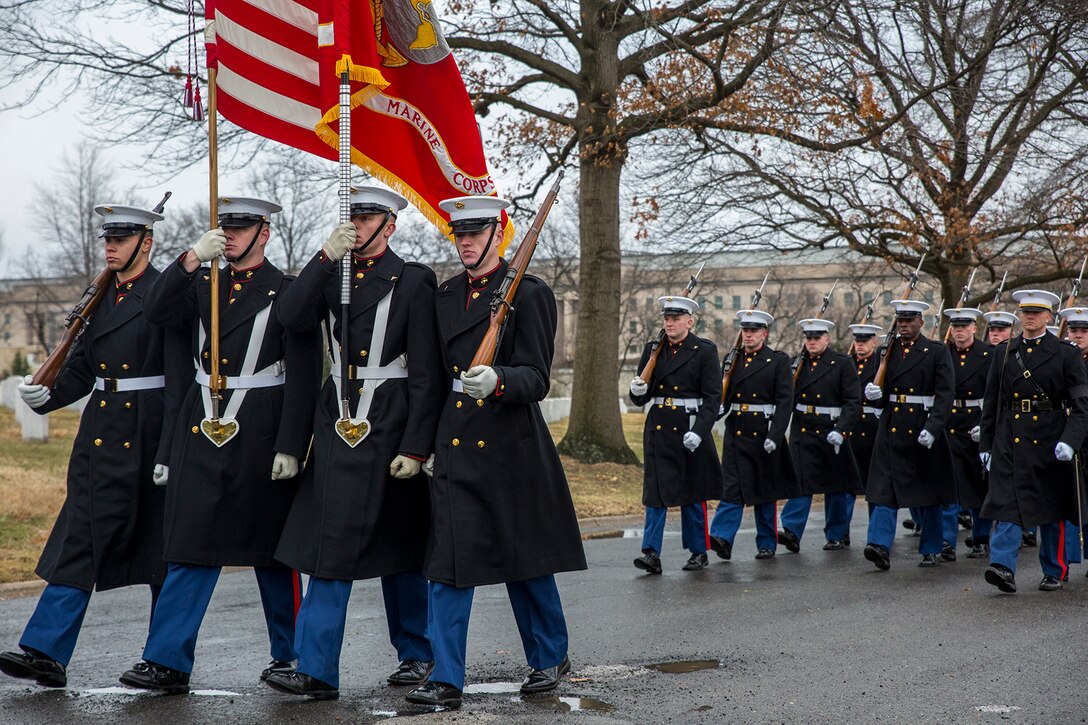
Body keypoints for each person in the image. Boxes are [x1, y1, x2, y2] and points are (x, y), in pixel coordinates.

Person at [118, 196, 321, 693]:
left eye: (241, 227)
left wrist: (293, 444)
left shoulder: (286, 291)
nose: (229, 235)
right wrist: (189, 258)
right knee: (189, 543)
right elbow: (157, 311)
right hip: (202, 423)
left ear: (264, 232)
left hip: (262, 424)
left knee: (273, 553)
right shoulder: (200, 282)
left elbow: (304, 372)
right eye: (224, 227)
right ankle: (167, 660)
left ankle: (290, 655)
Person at [404, 195, 587, 710]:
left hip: (511, 447)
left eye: (473, 232)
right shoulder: (444, 297)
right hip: (455, 445)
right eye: (457, 233)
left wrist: (500, 379)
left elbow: (538, 377)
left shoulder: (529, 294)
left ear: (497, 234)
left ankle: (549, 657)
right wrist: (420, 447)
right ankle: (445, 677)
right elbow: (429, 380)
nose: (463, 242)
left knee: (524, 563)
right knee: (447, 566)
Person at [265, 187, 443, 700]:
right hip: (339, 418)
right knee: (329, 546)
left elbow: (426, 373)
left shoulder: (414, 280)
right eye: (353, 217)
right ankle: (317, 669)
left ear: (390, 225)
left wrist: (416, 447)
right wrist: (325, 257)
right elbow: (290, 317)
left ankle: (417, 654)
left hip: (391, 417)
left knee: (402, 544)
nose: (358, 225)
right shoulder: (331, 272)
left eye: (368, 218)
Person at [0, 204, 179, 689]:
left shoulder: (165, 294)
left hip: (150, 431)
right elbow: (82, 365)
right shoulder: (101, 293)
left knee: (159, 550)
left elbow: (183, 374)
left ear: (147, 242)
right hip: (101, 435)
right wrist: (47, 397)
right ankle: (45, 652)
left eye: (121, 239)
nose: (110, 247)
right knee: (78, 537)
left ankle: (167, 661)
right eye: (108, 239)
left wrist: (170, 448)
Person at [979, 290, 1088, 593]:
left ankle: (1053, 569)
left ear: (1048, 317)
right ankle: (1002, 566)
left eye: (1036, 312)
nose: (1029, 317)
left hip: (1050, 436)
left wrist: (1071, 441)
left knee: (1050, 507)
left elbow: (1081, 405)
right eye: (1025, 311)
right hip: (1010, 436)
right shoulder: (1004, 352)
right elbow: (993, 402)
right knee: (1005, 503)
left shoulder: (1066, 353)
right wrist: (985, 444)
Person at [628, 296, 723, 573]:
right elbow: (640, 398)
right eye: (666, 319)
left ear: (689, 321)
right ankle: (650, 552)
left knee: (693, 492)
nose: (669, 323)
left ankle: (698, 551)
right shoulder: (653, 349)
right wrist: (637, 392)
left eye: (675, 318)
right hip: (659, 428)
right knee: (655, 494)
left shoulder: (704, 350)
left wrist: (700, 431)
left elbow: (712, 397)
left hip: (689, 428)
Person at [861, 299, 956, 570]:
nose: (904, 326)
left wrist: (934, 427)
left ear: (920, 322)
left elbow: (945, 394)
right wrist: (874, 397)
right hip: (892, 428)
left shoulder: (936, 351)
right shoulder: (885, 351)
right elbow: (881, 392)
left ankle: (932, 548)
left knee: (929, 495)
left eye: (909, 321)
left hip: (922, 426)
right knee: (884, 492)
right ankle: (878, 545)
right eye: (900, 321)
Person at [709, 309, 799, 560]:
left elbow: (784, 401)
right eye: (745, 330)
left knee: (764, 491)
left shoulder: (777, 361)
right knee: (731, 487)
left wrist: (775, 434)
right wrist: (718, 407)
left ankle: (767, 542)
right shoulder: (731, 359)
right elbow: (724, 396)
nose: (748, 335)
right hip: (736, 431)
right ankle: (722, 538)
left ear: (764, 333)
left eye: (753, 331)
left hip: (764, 431)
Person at [779, 319, 862, 552]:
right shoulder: (796, 364)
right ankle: (791, 532)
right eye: (808, 338)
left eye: (817, 338)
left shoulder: (842, 363)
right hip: (803, 429)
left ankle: (835, 534)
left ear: (827, 338)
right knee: (800, 483)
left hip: (831, 429)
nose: (812, 342)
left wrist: (842, 430)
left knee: (836, 486)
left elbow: (852, 401)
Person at [940, 307, 992, 560]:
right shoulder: (942, 353)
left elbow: (994, 395)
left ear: (974, 327)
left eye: (964, 326)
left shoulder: (988, 354)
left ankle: (980, 538)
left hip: (975, 421)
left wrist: (986, 424)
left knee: (977, 486)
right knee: (948, 486)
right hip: (949, 422)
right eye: (955, 327)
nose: (959, 331)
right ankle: (946, 542)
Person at [1058, 306, 1088, 575]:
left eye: (1083, 331)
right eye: (1073, 330)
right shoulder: (1063, 358)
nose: (1077, 336)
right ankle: (1064, 561)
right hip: (1067, 435)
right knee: (1068, 500)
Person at [847, 322, 885, 536]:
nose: (860, 345)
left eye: (864, 341)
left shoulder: (880, 364)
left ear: (874, 341)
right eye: (857, 341)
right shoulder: (847, 363)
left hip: (873, 428)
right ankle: (839, 535)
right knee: (848, 484)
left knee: (875, 485)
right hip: (851, 428)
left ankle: (876, 532)